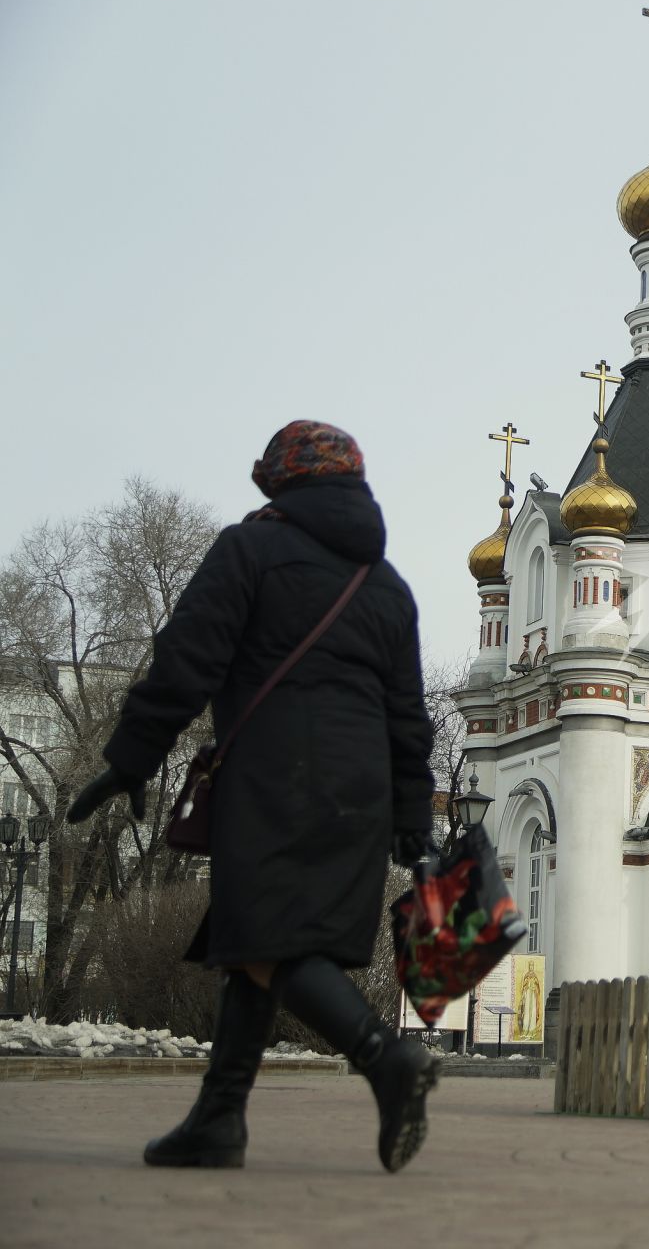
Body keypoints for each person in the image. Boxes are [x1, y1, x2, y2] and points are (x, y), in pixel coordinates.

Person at [69, 421, 439, 1173]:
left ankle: (383, 1058)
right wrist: (410, 816)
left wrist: (133, 757)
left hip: (278, 782)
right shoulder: (387, 585)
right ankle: (218, 1121)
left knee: (271, 941)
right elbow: (409, 717)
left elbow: (186, 659)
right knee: (254, 948)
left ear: (280, 482)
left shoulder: (253, 549)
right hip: (360, 795)